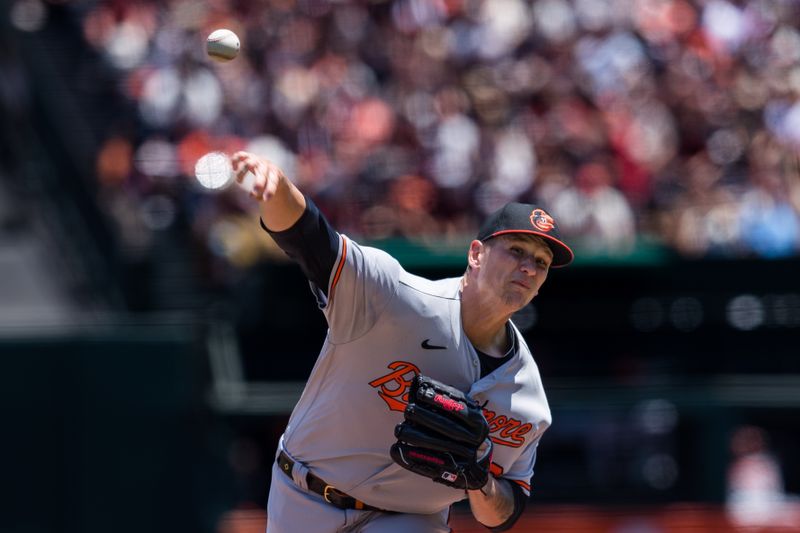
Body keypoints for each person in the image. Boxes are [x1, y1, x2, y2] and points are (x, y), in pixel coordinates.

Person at [231, 150, 574, 532]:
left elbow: (506, 511)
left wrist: (481, 482)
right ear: (476, 254)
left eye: (541, 263)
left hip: (411, 520)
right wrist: (277, 190)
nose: (528, 267)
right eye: (516, 251)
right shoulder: (395, 296)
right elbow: (310, 239)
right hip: (305, 496)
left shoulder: (528, 398)